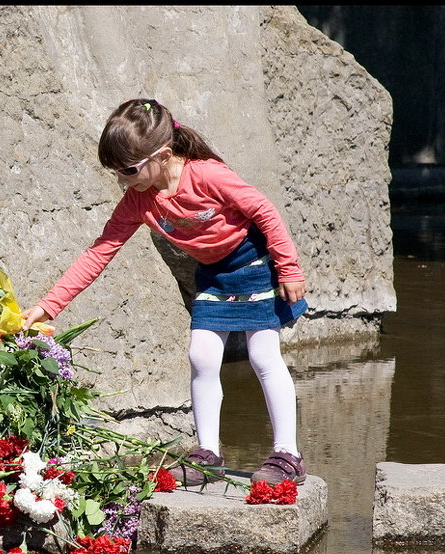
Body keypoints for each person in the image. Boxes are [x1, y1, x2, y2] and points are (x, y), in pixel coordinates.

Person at [21, 98, 309, 486]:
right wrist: (48, 306)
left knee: (263, 355)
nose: (124, 181)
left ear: (164, 155)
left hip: (255, 265)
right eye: (117, 173)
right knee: (202, 354)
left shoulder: (207, 175)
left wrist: (289, 268)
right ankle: (208, 454)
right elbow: (98, 253)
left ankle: (288, 454)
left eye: (129, 170)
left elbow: (265, 212)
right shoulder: (139, 200)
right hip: (214, 274)